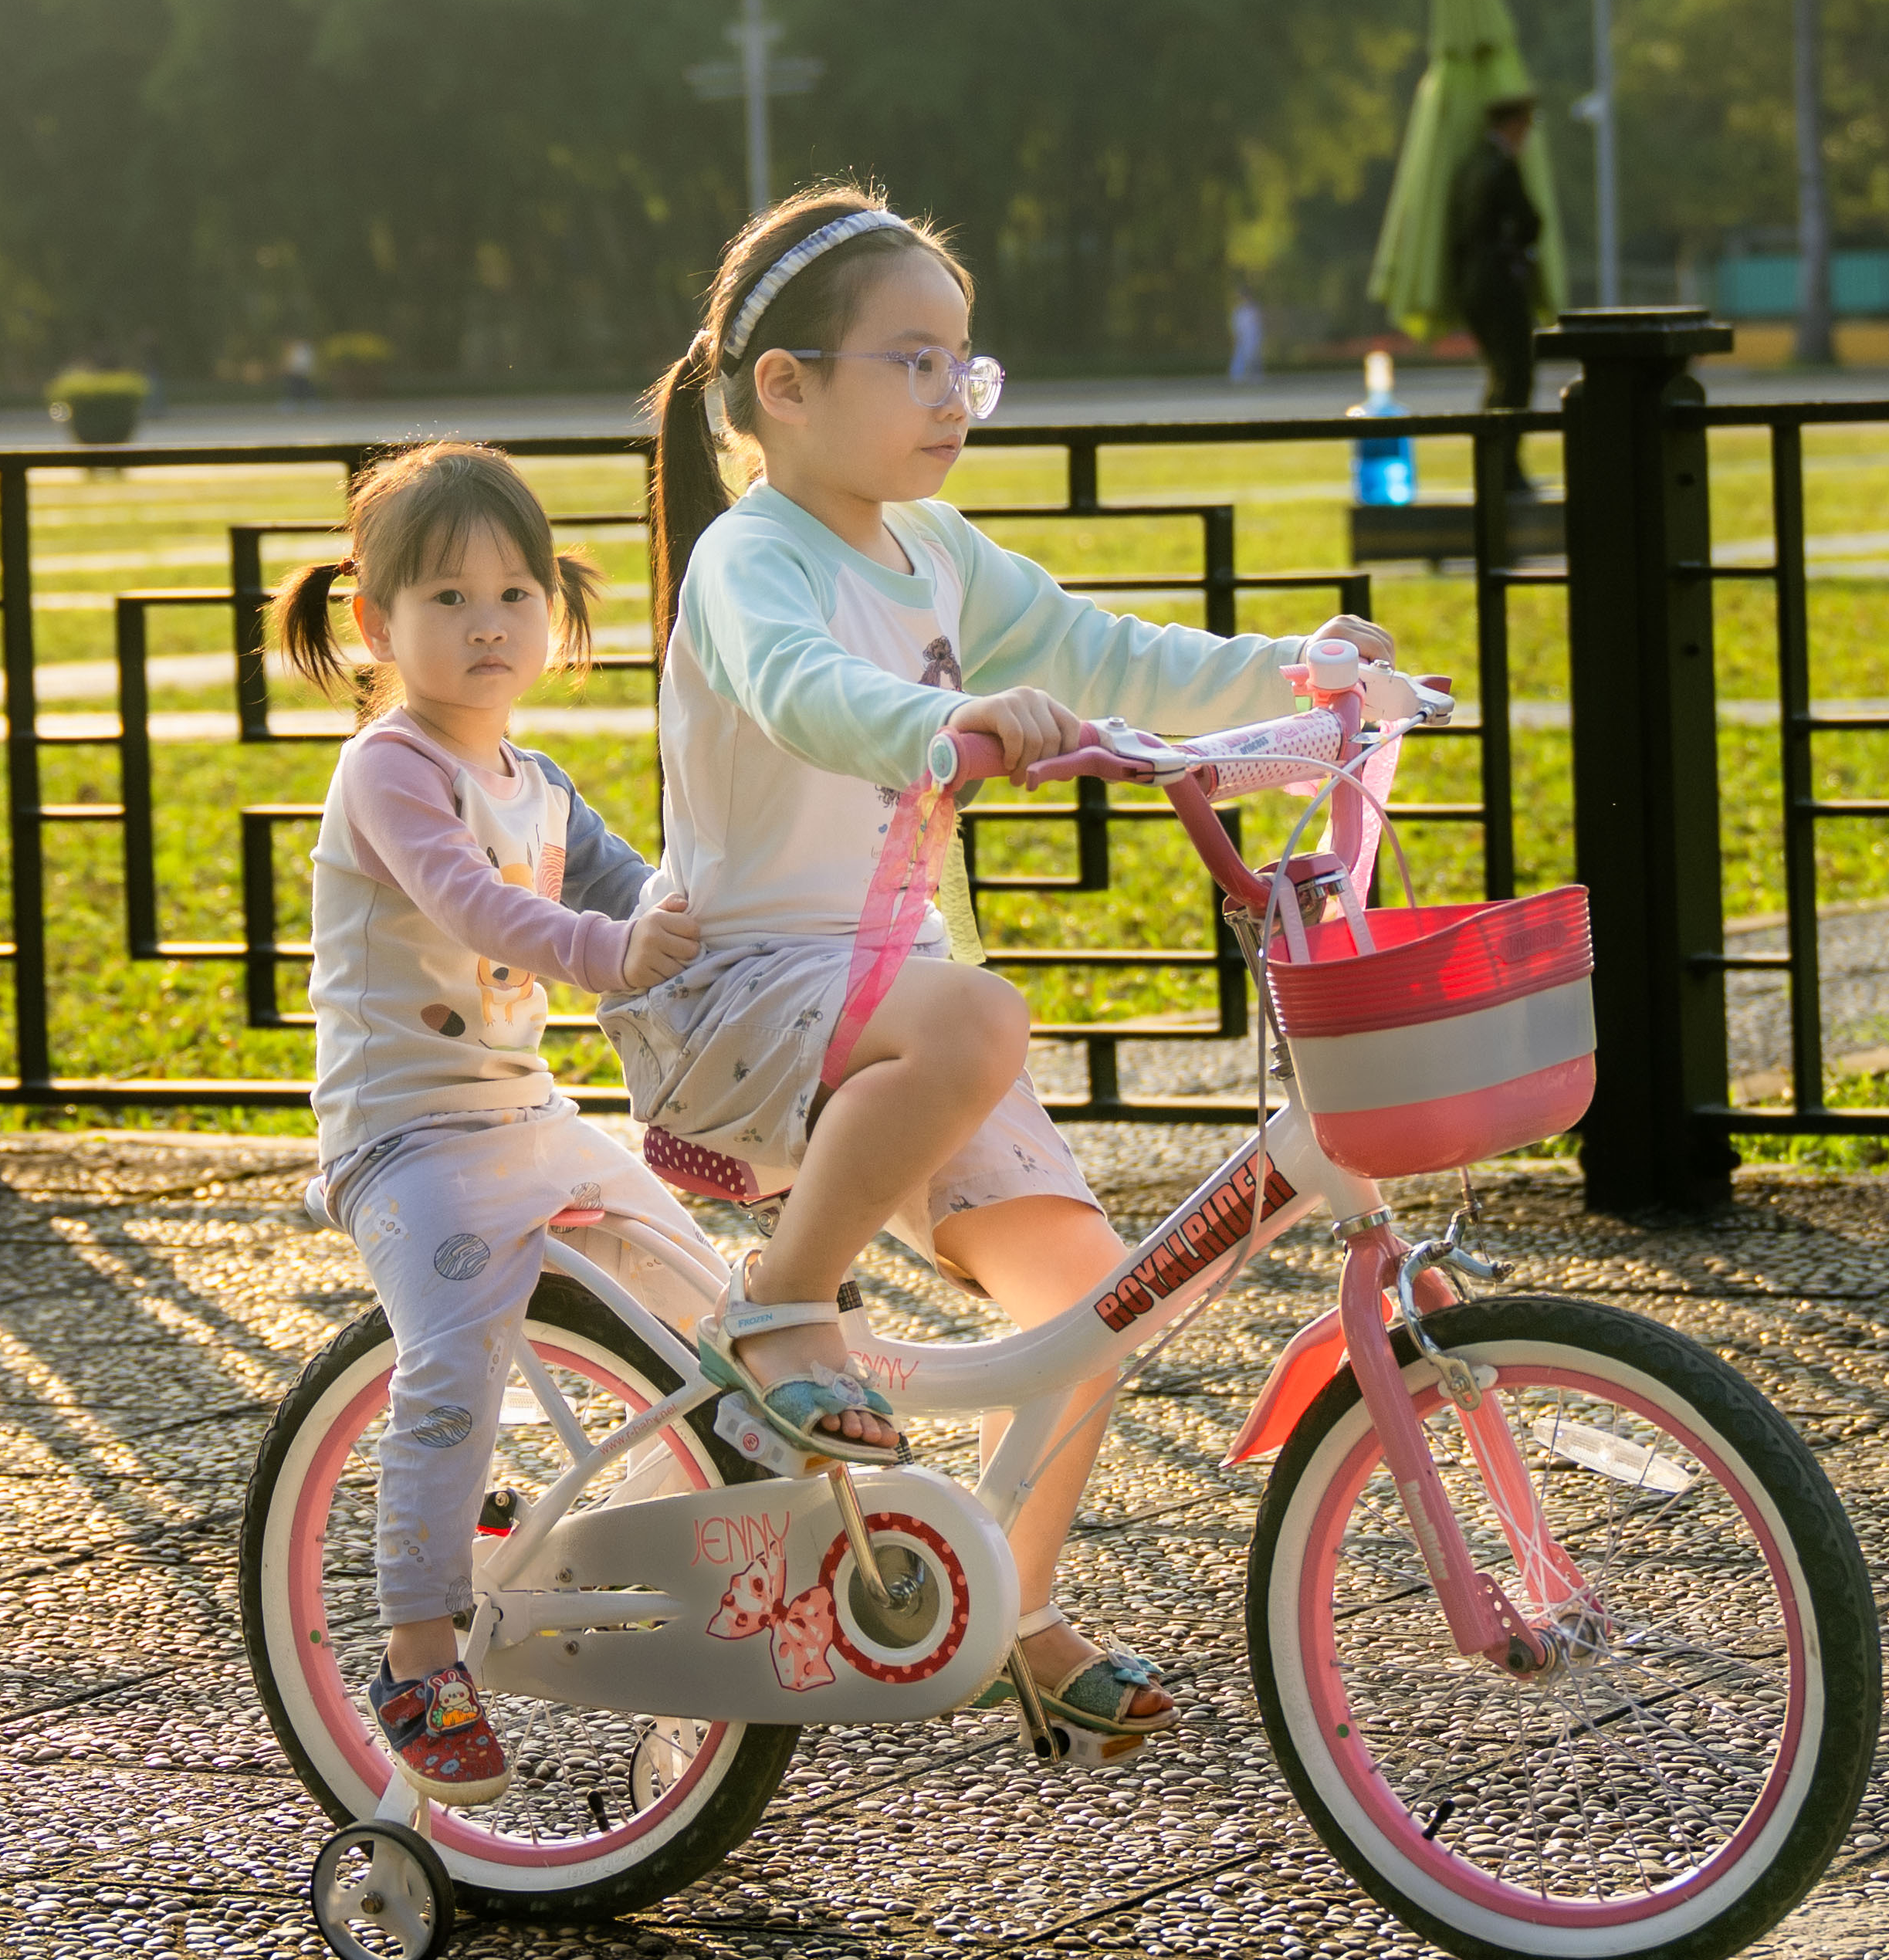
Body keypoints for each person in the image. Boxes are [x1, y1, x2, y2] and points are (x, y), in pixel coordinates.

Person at [604, 185, 1390, 1765]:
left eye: (964, 363)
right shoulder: (753, 561)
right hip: (742, 991)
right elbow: (805, 692)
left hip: (892, 1008)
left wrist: (1303, 673)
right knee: (981, 1012)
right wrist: (948, 726)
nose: (950, 397)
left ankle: (1012, 1626)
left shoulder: (938, 551)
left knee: (1090, 1305)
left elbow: (1112, 651)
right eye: (912, 361)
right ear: (788, 386)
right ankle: (778, 1320)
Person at [272, 442, 711, 1806]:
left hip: (521, 1110)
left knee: (698, 1285)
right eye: (448, 598)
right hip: (401, 1132)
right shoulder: (390, 772)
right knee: (449, 1361)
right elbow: (478, 906)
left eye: (514, 593)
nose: (486, 624)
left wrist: (718, 927)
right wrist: (611, 951)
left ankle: (699, 1513)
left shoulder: (536, 778)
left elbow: (641, 891)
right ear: (373, 622)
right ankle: (413, 1651)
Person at [1457, 98, 1547, 496]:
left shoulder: (1468, 164)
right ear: (1514, 125)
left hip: (1472, 285)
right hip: (1501, 284)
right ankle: (1507, 468)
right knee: (1517, 375)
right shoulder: (1502, 166)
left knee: (1499, 376)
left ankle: (1493, 465)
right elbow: (1529, 222)